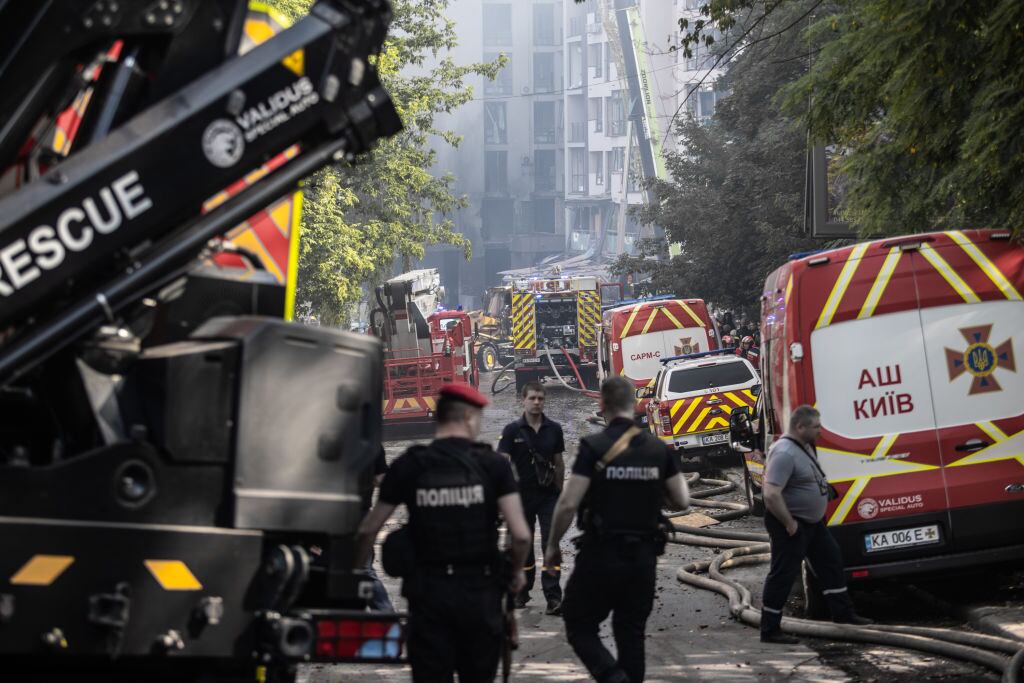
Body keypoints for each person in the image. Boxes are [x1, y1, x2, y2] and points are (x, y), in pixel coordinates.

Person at [355, 383, 531, 682]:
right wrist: (516, 574)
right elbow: (522, 535)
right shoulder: (492, 465)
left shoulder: (411, 463)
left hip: (428, 600)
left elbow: (368, 529)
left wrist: (356, 575)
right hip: (480, 597)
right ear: (468, 418)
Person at [544, 377, 690, 683]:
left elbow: (569, 503)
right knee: (631, 632)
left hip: (602, 555)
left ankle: (611, 676)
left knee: (579, 622)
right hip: (643, 558)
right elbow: (682, 501)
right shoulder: (656, 448)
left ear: (602, 404)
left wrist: (552, 544)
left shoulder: (594, 447)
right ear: (633, 403)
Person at [760, 405, 872, 644]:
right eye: (816, 427)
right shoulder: (784, 453)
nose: (820, 431)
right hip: (791, 524)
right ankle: (770, 629)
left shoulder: (804, 446)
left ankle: (843, 614)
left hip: (812, 523)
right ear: (800, 427)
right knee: (783, 573)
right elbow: (770, 494)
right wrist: (789, 524)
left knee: (830, 560)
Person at [497, 381, 566, 614]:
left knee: (551, 546)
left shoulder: (554, 429)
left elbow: (559, 463)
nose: (536, 402)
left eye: (540, 398)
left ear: (544, 401)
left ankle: (554, 597)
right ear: (523, 400)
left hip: (548, 497)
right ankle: (523, 592)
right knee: (523, 547)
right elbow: (502, 463)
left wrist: (560, 494)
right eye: (532, 398)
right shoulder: (511, 431)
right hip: (520, 498)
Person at [362, 445, 394, 611]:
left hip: (321, 515)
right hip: (359, 514)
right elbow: (380, 478)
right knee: (364, 571)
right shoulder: (369, 443)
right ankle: (388, 620)